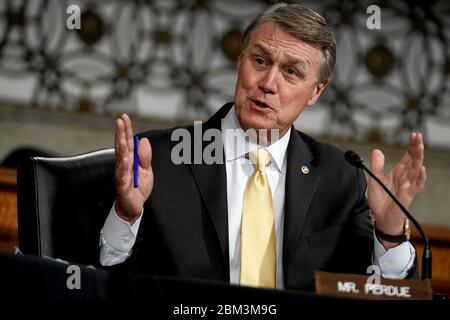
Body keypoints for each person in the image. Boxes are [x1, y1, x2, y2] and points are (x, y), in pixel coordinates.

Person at [99, 3, 426, 291]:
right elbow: (105, 282)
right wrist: (127, 215)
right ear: (240, 61)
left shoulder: (341, 177)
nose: (268, 84)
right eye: (259, 60)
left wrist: (389, 233)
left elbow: (385, 291)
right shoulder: (159, 160)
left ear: (316, 91)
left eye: (291, 72)